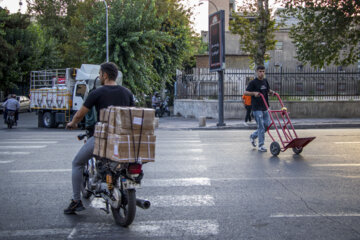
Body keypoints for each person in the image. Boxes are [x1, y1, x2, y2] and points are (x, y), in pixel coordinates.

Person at [63, 62, 134, 214]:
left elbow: (80, 113)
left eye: (100, 73)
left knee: (77, 162)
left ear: (105, 75)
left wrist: (73, 123)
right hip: (123, 139)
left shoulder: (97, 92)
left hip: (103, 138)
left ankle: (76, 201)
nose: (99, 76)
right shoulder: (127, 93)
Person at [244, 66, 275, 152]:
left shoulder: (265, 81)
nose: (261, 73)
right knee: (261, 126)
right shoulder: (253, 82)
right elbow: (246, 92)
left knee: (267, 125)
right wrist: (254, 93)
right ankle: (261, 145)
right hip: (256, 108)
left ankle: (253, 136)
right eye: (260, 71)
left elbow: (267, 90)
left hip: (265, 107)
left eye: (263, 71)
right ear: (257, 72)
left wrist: (272, 92)